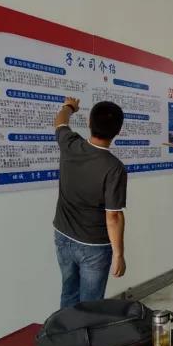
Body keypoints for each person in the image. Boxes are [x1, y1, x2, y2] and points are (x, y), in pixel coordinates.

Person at [53, 98, 127, 308]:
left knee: (69, 293)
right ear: (118, 131)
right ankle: (83, 329)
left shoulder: (71, 144)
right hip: (94, 246)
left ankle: (66, 328)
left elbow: (60, 122)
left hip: (63, 236)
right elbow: (113, 215)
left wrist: (69, 107)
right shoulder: (114, 167)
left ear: (89, 123)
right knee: (91, 306)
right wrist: (119, 254)